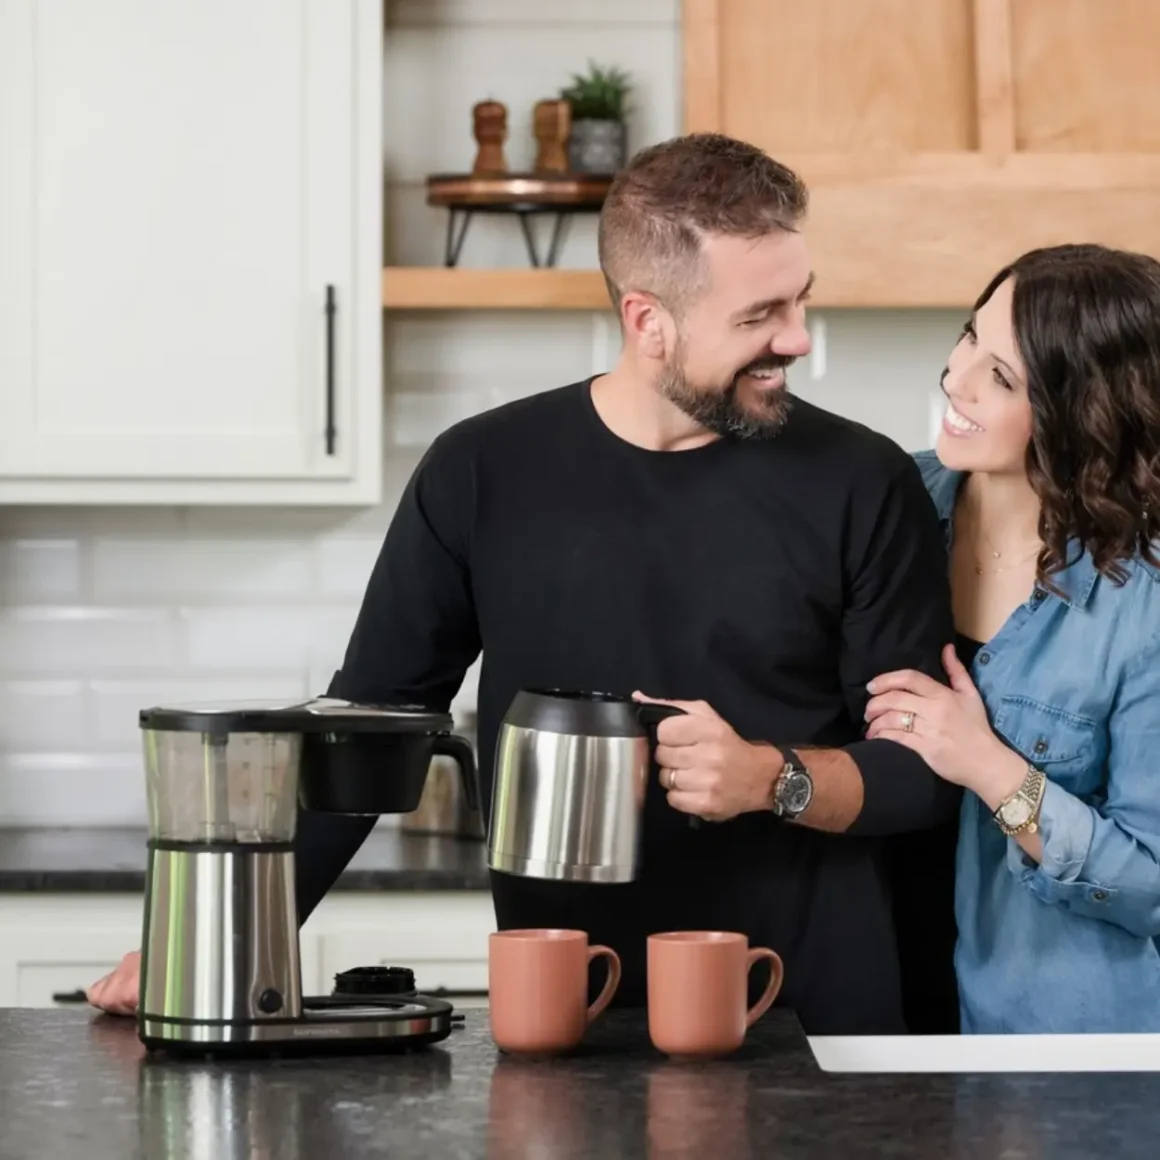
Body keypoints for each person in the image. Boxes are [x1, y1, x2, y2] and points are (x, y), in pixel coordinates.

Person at [86, 132, 961, 1035]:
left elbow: (924, 774)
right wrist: (207, 943)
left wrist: (768, 778)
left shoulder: (862, 479)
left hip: (814, 1017)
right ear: (646, 319)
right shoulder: (481, 469)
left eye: (800, 300)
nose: (798, 339)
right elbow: (369, 724)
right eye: (760, 315)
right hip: (567, 1010)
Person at [865, 243, 1160, 1034]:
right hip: (871, 1003)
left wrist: (991, 768)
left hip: (1055, 1043)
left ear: (1085, 411)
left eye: (1001, 376)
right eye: (968, 338)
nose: (955, 379)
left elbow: (1151, 884)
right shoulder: (883, 503)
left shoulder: (1145, 601)